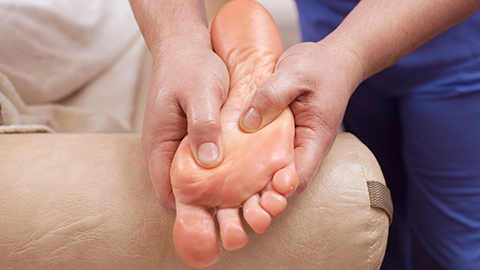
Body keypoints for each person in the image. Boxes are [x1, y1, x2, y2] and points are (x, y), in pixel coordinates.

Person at [129, 0, 480, 269]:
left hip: (455, 52)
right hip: (333, 35)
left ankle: (250, 113)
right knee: (383, 210)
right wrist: (176, 43)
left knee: (452, 248)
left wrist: (349, 53)